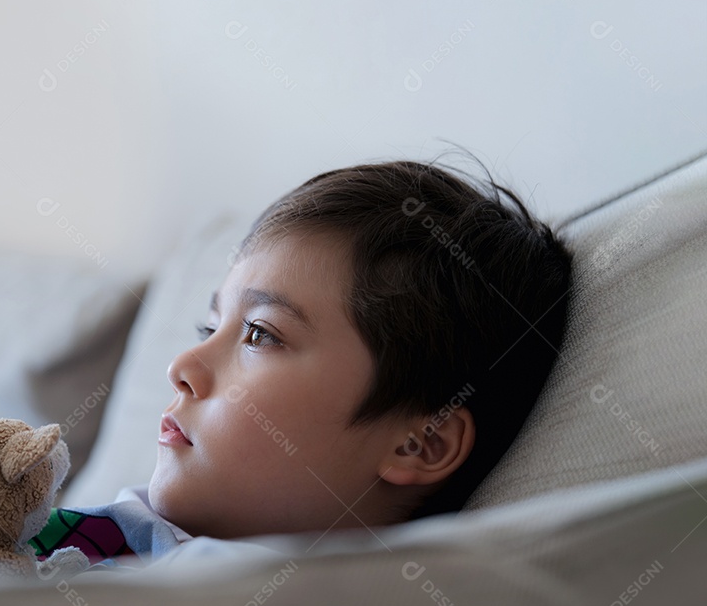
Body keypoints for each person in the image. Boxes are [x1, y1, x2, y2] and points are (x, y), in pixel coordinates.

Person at [33, 153, 573, 569]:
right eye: (209, 326)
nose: (183, 367)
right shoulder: (80, 533)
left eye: (260, 335)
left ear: (421, 442)